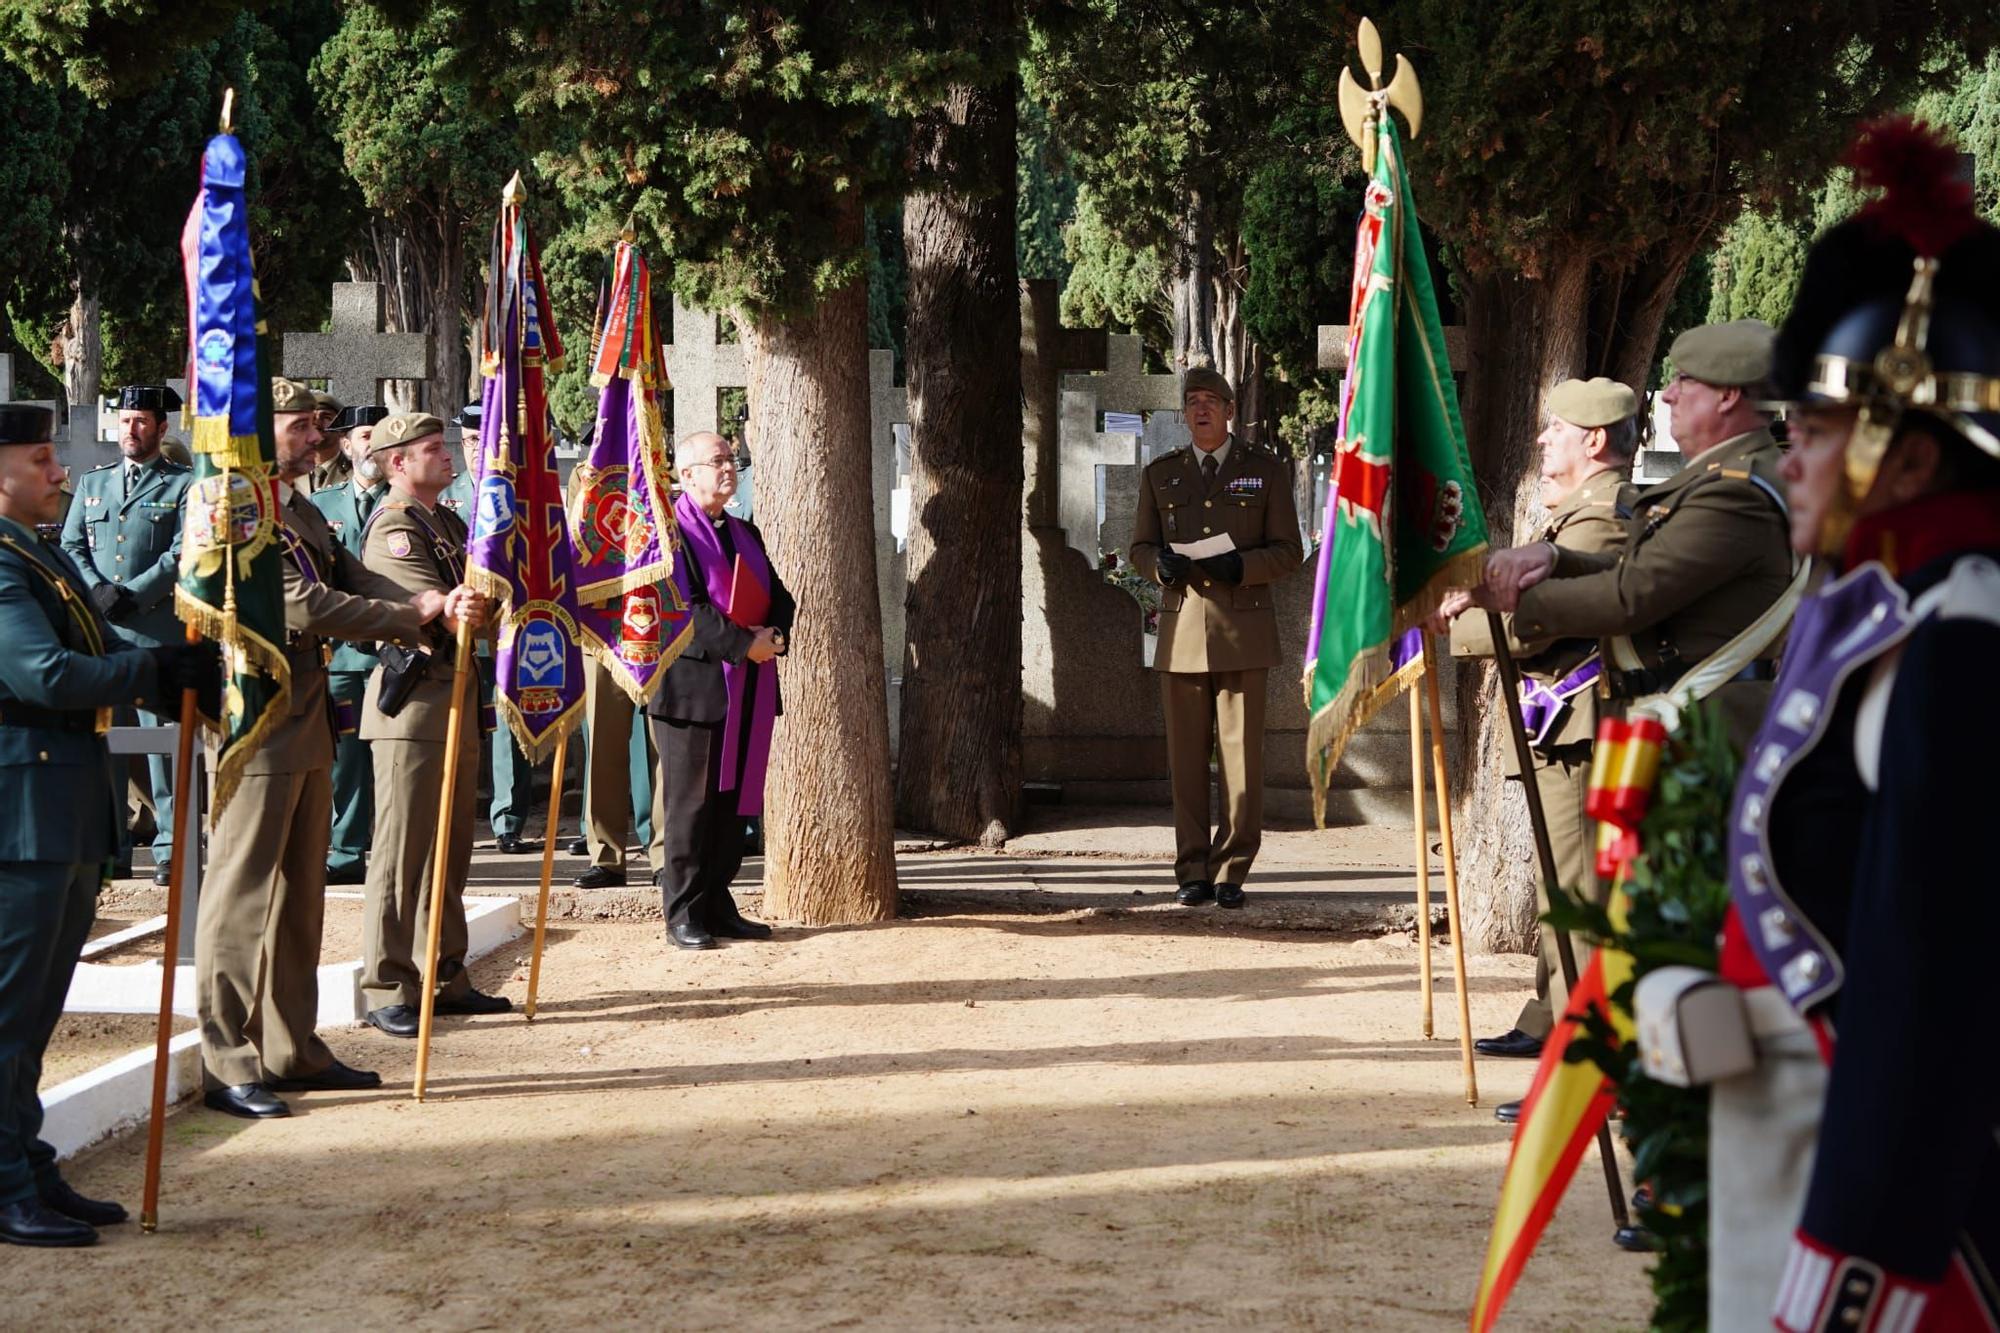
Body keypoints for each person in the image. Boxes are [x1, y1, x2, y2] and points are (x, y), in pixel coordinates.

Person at [1708, 122, 2000, 1331]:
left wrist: (1852, 1279)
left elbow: (1925, 993)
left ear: (1910, 453)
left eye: (1818, 430)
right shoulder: (1884, 607)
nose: (1794, 453)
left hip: (1921, 1229)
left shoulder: (1957, 641)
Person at [194, 380, 466, 1120]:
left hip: (309, 705)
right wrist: (408, 612)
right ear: (258, 427)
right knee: (242, 893)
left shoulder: (300, 506)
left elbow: (348, 574)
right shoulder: (233, 502)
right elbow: (298, 601)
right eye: (303, 425)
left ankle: (291, 1047)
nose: (319, 436)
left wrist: (434, 602)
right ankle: (227, 1059)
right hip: (258, 707)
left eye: (319, 425)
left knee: (300, 892)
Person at [0, 403, 215, 1244]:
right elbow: (42, 673)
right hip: (22, 815)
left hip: (62, 807)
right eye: (43, 458)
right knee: (10, 1013)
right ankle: (8, 1179)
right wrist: (151, 666)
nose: (60, 472)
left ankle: (26, 1161)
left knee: (37, 1011)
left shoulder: (33, 551)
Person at [1434, 378, 1637, 1075]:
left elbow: (1537, 622)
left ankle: (1577, 1060)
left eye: (1557, 428)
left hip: (1585, 723)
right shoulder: (1574, 511)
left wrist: (1453, 616)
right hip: (1562, 723)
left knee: (1578, 889)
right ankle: (1551, 1015)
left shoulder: (1603, 513)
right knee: (1562, 885)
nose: (1544, 438)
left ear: (1596, 440)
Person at [1476, 320, 1794, 748]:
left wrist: (1509, 600)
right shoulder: (1725, 479)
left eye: (1684, 380)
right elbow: (1651, 570)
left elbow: (1632, 595)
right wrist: (1557, 559)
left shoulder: (1736, 492)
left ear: (1727, 396)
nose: (1667, 394)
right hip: (1684, 723)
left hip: (1704, 733)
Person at [1127, 368, 1304, 908]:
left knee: (1240, 760)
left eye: (1211, 401)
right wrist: (1158, 566)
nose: (1200, 409)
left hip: (1243, 633)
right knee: (1185, 761)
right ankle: (1191, 870)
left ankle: (1232, 869)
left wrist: (1241, 566)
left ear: (1230, 410)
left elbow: (1288, 551)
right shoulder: (1162, 475)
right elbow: (1139, 547)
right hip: (1182, 634)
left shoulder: (1265, 472)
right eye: (1192, 401)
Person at [357, 412, 511, 1035]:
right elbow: (442, 611)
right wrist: (463, 608)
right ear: (398, 462)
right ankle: (387, 983)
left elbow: (490, 611)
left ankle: (446, 973)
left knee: (450, 849)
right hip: (415, 703)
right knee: (400, 853)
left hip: (457, 697)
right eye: (430, 449)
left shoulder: (446, 520)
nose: (447, 456)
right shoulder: (393, 529)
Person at [647, 431, 791, 950]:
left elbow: (779, 595)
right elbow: (683, 610)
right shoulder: (667, 535)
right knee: (691, 805)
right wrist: (741, 644)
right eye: (717, 461)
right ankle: (682, 910)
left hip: (748, 684)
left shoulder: (744, 532)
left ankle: (718, 900)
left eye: (732, 459)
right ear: (687, 474)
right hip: (692, 689)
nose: (729, 468)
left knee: (734, 803)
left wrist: (774, 635)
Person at [58, 384, 192, 887]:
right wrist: (95, 590)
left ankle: (170, 849)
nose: (130, 430)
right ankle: (111, 848)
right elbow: (71, 542)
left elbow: (185, 549)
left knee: (161, 750)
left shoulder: (184, 484)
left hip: (157, 634)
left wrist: (136, 593)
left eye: (140, 421)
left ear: (162, 427)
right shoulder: (96, 483)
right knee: (106, 744)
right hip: (99, 636)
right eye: (125, 421)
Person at [309, 404, 391, 885]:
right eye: (364, 436)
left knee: (391, 758)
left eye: (379, 436)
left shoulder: (406, 503)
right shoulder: (323, 505)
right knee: (344, 761)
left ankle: (388, 849)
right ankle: (345, 851)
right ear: (345, 445)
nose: (371, 446)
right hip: (340, 655)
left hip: (391, 653)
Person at [302, 390, 350, 494]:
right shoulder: (292, 469)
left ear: (341, 428)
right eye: (312, 418)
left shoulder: (355, 472)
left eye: (326, 417)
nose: (317, 423)